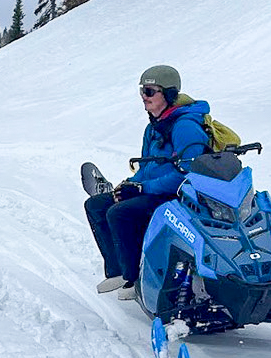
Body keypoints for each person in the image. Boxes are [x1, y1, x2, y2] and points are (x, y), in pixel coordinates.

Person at [85, 65, 221, 300]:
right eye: (142, 91)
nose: (143, 97)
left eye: (149, 91)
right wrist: (129, 185)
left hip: (177, 195)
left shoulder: (185, 126)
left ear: (168, 94)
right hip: (153, 189)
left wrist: (142, 188)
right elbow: (146, 167)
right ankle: (118, 269)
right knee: (97, 205)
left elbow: (188, 173)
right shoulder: (153, 127)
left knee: (120, 213)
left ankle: (133, 278)